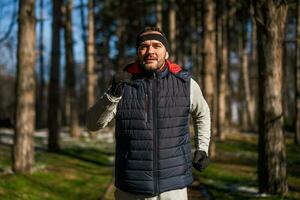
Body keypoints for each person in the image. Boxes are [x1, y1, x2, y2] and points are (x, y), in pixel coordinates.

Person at [86, 26, 211, 200]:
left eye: (156, 45)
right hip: (130, 187)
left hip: (173, 187)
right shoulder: (122, 84)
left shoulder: (186, 84)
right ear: (138, 52)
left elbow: (203, 114)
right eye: (144, 46)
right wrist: (113, 94)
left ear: (166, 52)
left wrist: (202, 148)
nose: (150, 51)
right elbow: (92, 124)